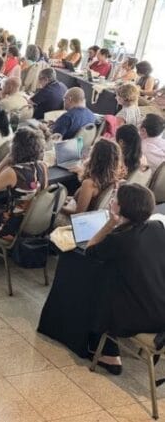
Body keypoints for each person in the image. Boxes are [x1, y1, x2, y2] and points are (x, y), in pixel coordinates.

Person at [85, 184, 165, 374]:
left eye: (115, 199)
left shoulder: (120, 239)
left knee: (99, 290)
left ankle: (108, 354)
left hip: (144, 318)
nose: (112, 201)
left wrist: (110, 223)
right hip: (161, 306)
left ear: (121, 207)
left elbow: (90, 250)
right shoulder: (158, 227)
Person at [0, 127, 48, 240]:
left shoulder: (13, 172)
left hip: (12, 227)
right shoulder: (43, 166)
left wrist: (3, 162)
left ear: (15, 148)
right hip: (32, 223)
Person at [61, 139, 124, 216]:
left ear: (94, 157)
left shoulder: (89, 184)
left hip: (71, 219)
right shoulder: (113, 180)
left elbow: (78, 214)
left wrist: (57, 207)